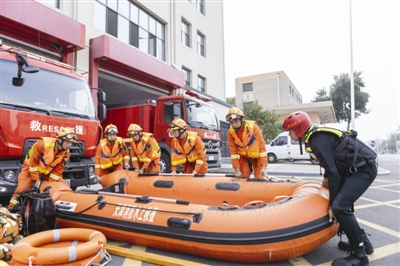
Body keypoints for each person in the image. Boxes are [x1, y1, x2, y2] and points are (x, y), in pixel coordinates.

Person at [282, 111, 377, 266]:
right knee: (342, 205)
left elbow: (334, 175)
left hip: (364, 169)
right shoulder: (313, 138)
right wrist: (326, 177)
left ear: (299, 129)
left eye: (290, 131)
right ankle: (363, 243)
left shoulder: (316, 139)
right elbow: (331, 164)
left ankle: (360, 256)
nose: (289, 135)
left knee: (340, 207)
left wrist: (332, 205)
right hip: (356, 169)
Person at [8, 127, 77, 210]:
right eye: (67, 142)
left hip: (47, 170)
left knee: (62, 186)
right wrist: (36, 179)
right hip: (30, 167)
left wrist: (52, 186)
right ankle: (11, 208)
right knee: (22, 189)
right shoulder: (43, 144)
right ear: (59, 140)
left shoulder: (66, 153)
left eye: (71, 143)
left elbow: (57, 172)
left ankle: (62, 207)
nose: (69, 145)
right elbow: (33, 163)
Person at [226, 107, 268, 180]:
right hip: (244, 158)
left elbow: (262, 148)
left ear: (242, 119)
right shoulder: (231, 132)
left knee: (260, 177)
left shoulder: (253, 127)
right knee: (243, 177)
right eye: (231, 122)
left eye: (235, 121)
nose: (234, 125)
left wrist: (264, 167)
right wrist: (236, 170)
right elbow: (233, 153)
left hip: (257, 158)